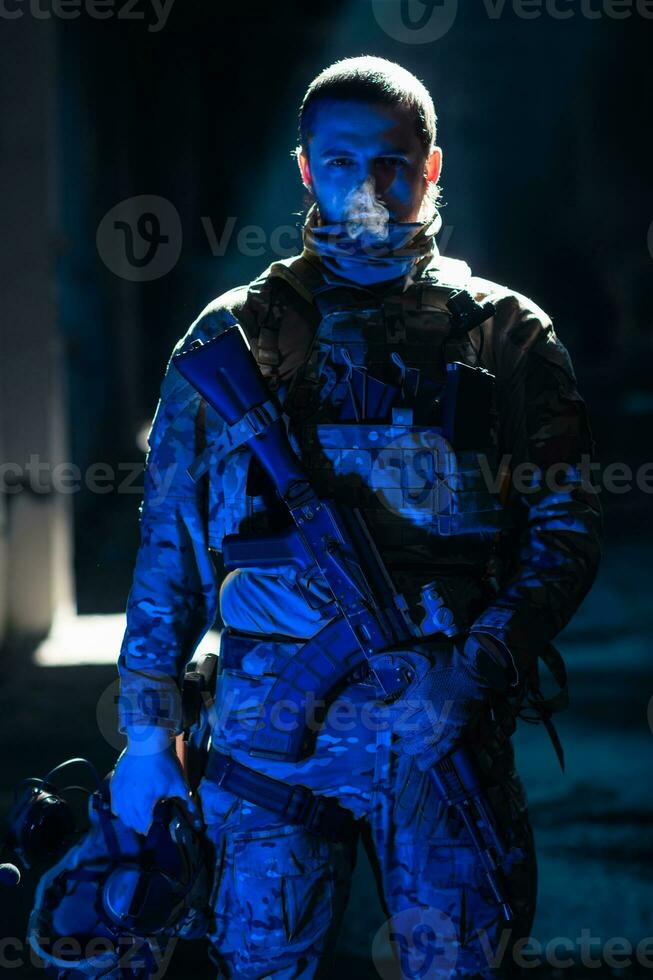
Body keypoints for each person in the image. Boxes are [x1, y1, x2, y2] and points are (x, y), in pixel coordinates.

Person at [110, 56, 603, 978]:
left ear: (432, 166)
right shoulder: (234, 337)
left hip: (440, 731)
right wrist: (144, 736)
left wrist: (473, 673)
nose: (369, 186)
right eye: (340, 162)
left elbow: (567, 533)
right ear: (304, 169)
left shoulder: (506, 333)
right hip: (265, 742)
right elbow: (169, 548)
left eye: (392, 162)